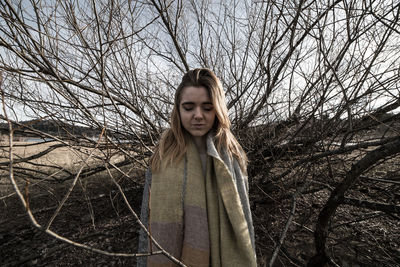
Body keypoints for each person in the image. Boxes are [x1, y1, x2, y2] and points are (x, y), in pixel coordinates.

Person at [137, 68, 257, 266]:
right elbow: (146, 221)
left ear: (218, 109)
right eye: (189, 107)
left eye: (207, 107)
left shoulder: (232, 157)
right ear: (178, 109)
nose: (198, 115)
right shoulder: (162, 156)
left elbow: (244, 220)